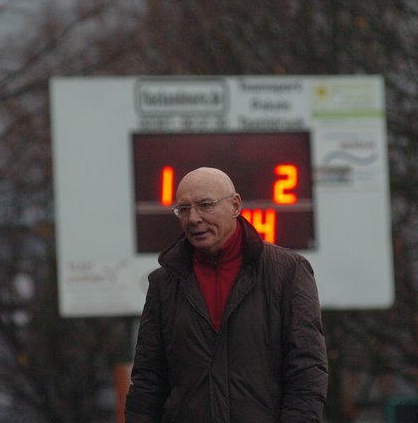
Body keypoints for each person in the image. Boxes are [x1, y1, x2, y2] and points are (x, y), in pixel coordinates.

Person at [125, 167, 328, 423]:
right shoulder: (164, 283)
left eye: (205, 205)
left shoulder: (287, 272)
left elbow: (307, 369)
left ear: (235, 205)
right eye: (184, 209)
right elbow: (147, 381)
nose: (193, 218)